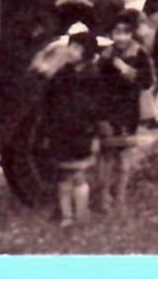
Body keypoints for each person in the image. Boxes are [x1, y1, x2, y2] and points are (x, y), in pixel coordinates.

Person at [34, 22, 104, 225]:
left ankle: (81, 215)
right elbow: (49, 97)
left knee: (78, 175)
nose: (73, 52)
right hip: (61, 130)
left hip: (80, 131)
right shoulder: (63, 73)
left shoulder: (91, 76)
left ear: (88, 53)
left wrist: (94, 129)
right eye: (71, 47)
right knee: (63, 177)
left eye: (78, 49)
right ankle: (67, 216)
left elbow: (96, 105)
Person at [95, 10, 154, 210]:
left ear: (132, 34)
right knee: (107, 154)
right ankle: (104, 198)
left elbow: (147, 81)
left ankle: (120, 197)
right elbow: (95, 82)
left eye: (125, 32)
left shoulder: (139, 54)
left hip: (128, 109)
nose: (121, 37)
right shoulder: (104, 56)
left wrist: (127, 70)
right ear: (111, 35)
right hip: (107, 109)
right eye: (116, 33)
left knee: (124, 155)